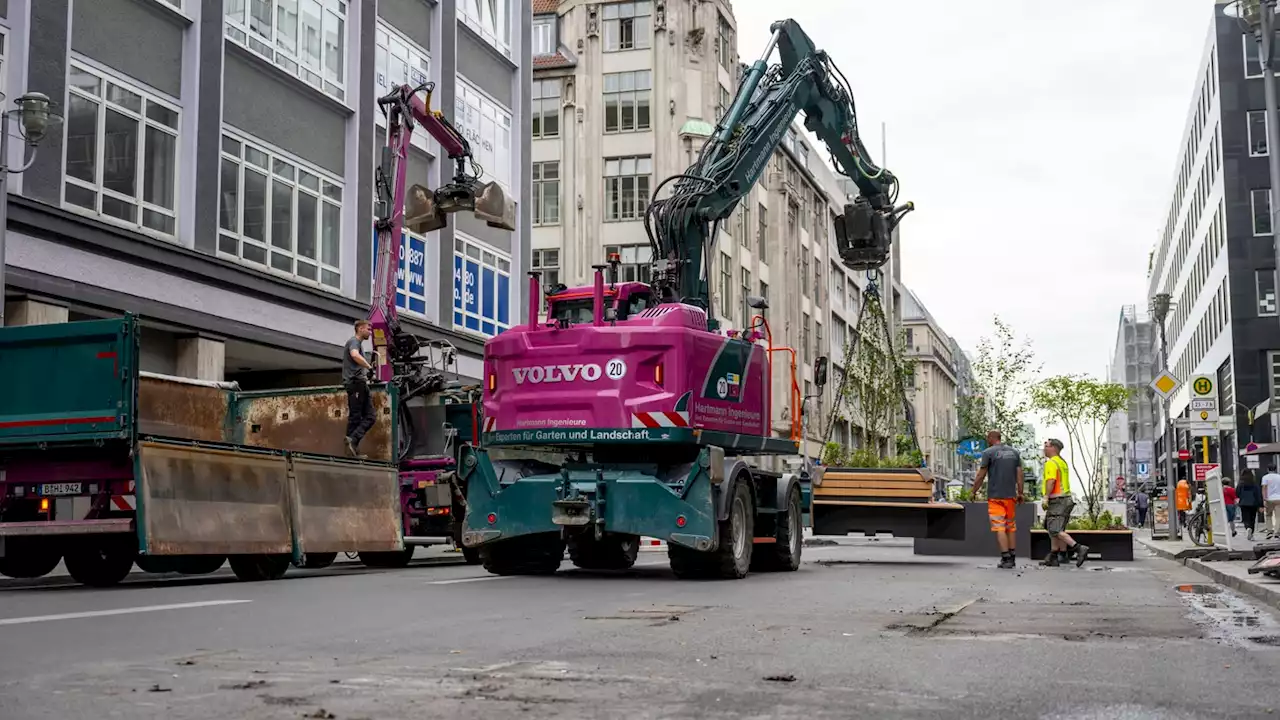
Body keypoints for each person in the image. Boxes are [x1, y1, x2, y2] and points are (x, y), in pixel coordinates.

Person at [970, 430, 1025, 569]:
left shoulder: (988, 453)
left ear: (990, 438)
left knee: (999, 527)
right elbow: (1019, 474)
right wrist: (1020, 492)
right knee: (1011, 527)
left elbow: (981, 475)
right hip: (1010, 496)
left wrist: (973, 491)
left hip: (995, 497)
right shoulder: (1014, 453)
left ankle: (1005, 557)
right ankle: (1012, 557)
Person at [1041, 438, 1088, 567]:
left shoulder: (1051, 463)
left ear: (1053, 448)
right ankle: (1055, 556)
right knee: (1055, 528)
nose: (1044, 448)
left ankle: (1078, 548)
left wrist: (1046, 497)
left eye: (1046, 446)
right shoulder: (1062, 462)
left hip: (1057, 500)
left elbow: (1051, 481)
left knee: (1055, 529)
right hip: (1066, 499)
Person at [343, 319, 377, 458]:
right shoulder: (354, 342)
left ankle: (352, 442)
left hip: (360, 383)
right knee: (356, 417)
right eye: (368, 329)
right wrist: (368, 367)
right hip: (355, 383)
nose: (370, 332)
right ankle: (352, 450)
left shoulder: (358, 344)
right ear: (360, 328)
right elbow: (354, 355)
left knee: (370, 416)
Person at [1238, 468, 1264, 541]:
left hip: (1243, 503)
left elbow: (1237, 493)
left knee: (1245, 518)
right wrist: (1261, 505)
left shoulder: (1241, 484)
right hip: (1253, 503)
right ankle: (1251, 533)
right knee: (1252, 519)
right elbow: (1258, 495)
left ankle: (1247, 528)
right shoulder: (1254, 484)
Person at [1263, 464, 1280, 539]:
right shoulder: (1279, 477)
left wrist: (1264, 498)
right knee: (1278, 516)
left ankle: (1269, 531)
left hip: (1269, 499)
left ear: (1267, 469)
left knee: (1268, 515)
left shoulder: (1265, 477)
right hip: (1279, 499)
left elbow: (1264, 488)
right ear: (1275, 469)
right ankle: (1277, 532)